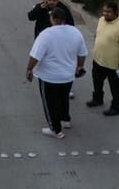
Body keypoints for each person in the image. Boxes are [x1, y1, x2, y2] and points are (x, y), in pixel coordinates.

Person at [25, 7, 88, 139]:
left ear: (52, 18)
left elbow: (35, 56)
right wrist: (79, 66)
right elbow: (82, 53)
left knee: (49, 102)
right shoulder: (75, 32)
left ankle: (55, 129)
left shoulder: (46, 34)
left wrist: (29, 69)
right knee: (63, 98)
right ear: (64, 19)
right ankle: (65, 119)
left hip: (49, 77)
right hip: (68, 76)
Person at [86, 2, 119, 116]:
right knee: (97, 81)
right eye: (104, 11)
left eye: (108, 12)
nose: (105, 14)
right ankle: (97, 99)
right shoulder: (101, 20)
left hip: (113, 64)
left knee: (116, 87)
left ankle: (116, 107)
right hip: (98, 60)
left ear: (116, 12)